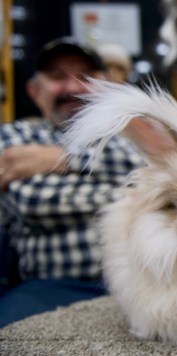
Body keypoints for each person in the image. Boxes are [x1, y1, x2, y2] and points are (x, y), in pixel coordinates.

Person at [0, 37, 145, 327]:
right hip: (49, 287)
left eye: (86, 77)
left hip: (139, 279)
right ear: (34, 90)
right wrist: (130, 194)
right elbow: (33, 200)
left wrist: (62, 159)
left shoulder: (131, 140)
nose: (73, 88)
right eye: (56, 77)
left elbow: (160, 183)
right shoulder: (14, 138)